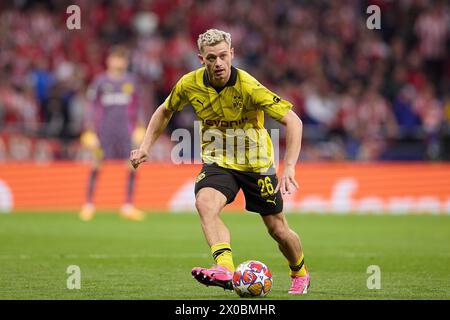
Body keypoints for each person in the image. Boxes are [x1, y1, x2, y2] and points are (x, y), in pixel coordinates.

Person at [130, 29, 309, 294]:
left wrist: (290, 166)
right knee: (205, 203)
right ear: (201, 59)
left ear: (232, 54)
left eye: (223, 56)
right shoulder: (189, 84)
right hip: (219, 160)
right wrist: (145, 146)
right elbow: (165, 110)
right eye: (211, 57)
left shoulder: (248, 86)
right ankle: (224, 267)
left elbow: (293, 120)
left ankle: (299, 272)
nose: (218, 63)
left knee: (277, 229)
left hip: (256, 165)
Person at [79, 45, 145, 221]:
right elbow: (91, 106)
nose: (119, 62)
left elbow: (138, 106)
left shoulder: (131, 82)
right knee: (96, 164)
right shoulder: (100, 82)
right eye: (116, 58)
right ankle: (88, 204)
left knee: (133, 165)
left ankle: (128, 205)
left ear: (126, 62)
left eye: (122, 59)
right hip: (103, 132)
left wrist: (140, 126)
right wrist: (88, 129)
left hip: (126, 132)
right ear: (109, 60)